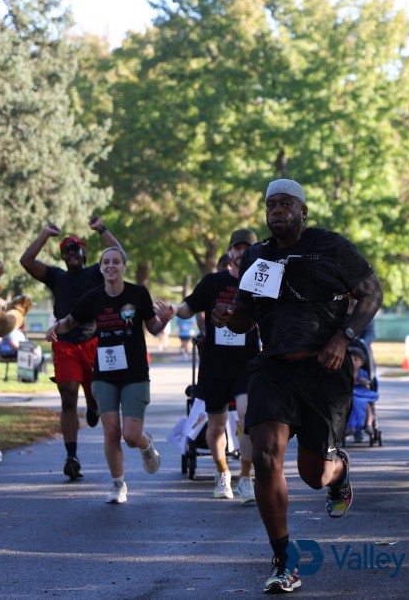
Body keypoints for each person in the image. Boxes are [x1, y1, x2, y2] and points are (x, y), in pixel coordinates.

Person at [211, 179, 382, 594]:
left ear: (302, 211)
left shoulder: (331, 247)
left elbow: (371, 294)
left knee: (314, 474)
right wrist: (228, 316)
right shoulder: (257, 256)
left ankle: (339, 472)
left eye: (286, 204)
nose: (277, 211)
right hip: (273, 368)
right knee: (266, 456)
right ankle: (284, 560)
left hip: (325, 368)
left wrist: (343, 337)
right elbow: (246, 317)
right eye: (271, 205)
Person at [46, 246, 173, 504]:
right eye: (106, 262)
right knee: (111, 431)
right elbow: (71, 321)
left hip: (135, 372)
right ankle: (118, 484)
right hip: (104, 373)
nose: (111, 266)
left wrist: (165, 319)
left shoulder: (138, 293)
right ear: (101, 267)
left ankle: (146, 445)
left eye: (116, 262)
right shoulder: (93, 297)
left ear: (124, 267)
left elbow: (153, 327)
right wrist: (55, 328)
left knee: (131, 435)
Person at [20, 215, 121, 481]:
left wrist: (102, 229)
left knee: (95, 394)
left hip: (94, 342)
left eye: (75, 249)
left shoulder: (96, 273)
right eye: (66, 250)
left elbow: (118, 255)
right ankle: (71, 456)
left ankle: (93, 406)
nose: (71, 253)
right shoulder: (57, 277)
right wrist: (45, 233)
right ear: (63, 256)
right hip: (65, 343)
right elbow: (26, 261)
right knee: (68, 396)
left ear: (84, 254)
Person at [166, 228, 261, 503]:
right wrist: (173, 310)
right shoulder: (212, 282)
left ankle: (246, 477)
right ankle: (222, 473)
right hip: (215, 366)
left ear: (255, 253)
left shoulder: (260, 284)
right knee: (216, 426)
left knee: (246, 417)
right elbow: (188, 308)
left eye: (247, 248)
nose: (241, 252)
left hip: (246, 363)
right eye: (237, 247)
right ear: (230, 252)